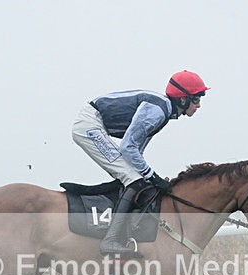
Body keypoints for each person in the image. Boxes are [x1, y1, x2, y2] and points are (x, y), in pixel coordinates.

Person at [72, 70, 210, 256]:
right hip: (90, 126)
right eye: (196, 99)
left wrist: (149, 176)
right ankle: (110, 241)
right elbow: (128, 148)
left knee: (136, 178)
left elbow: (136, 151)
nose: (199, 105)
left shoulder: (164, 111)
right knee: (135, 180)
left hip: (95, 124)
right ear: (183, 100)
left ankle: (120, 232)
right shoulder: (157, 112)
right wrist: (153, 176)